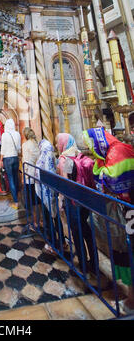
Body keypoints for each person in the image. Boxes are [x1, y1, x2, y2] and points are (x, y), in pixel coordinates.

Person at [83, 127, 134, 313]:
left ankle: (131, 301)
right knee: (124, 252)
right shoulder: (110, 154)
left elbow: (109, 180)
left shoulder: (118, 152)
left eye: (91, 144)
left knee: (129, 253)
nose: (89, 148)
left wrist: (101, 170)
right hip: (124, 211)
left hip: (128, 211)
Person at [56, 132, 98, 275]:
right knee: (86, 230)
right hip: (85, 199)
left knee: (77, 232)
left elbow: (65, 183)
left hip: (73, 201)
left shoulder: (64, 159)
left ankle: (83, 265)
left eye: (58, 142)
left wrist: (61, 201)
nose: (57, 144)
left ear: (63, 143)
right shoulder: (79, 154)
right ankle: (94, 263)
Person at [35, 138, 66, 256]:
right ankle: (62, 242)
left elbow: (39, 173)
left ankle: (52, 244)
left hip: (45, 193)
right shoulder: (53, 157)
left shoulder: (43, 158)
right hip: (52, 192)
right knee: (56, 217)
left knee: (48, 218)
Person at [0, 119, 21, 210]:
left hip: (7, 159)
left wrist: (1, 161)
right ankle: (18, 198)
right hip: (15, 157)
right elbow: (19, 148)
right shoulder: (17, 134)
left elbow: (3, 149)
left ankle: (16, 202)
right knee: (16, 178)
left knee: (11, 179)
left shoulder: (4, 135)